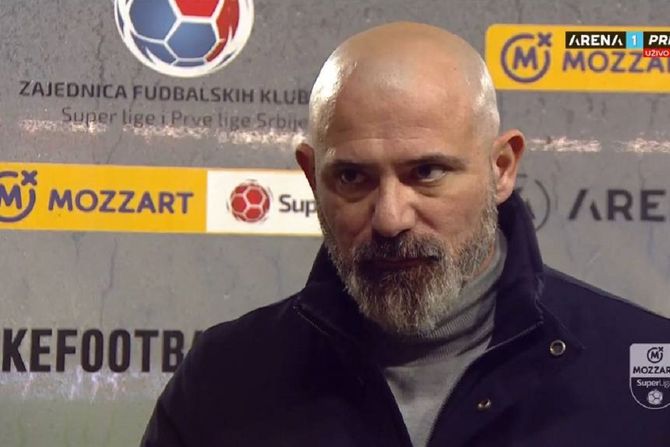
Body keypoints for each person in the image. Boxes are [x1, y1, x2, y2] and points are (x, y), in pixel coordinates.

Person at [141, 22, 670, 447]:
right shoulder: (224, 379)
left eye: (427, 172)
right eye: (353, 177)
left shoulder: (645, 372)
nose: (390, 219)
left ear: (502, 168)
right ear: (311, 175)